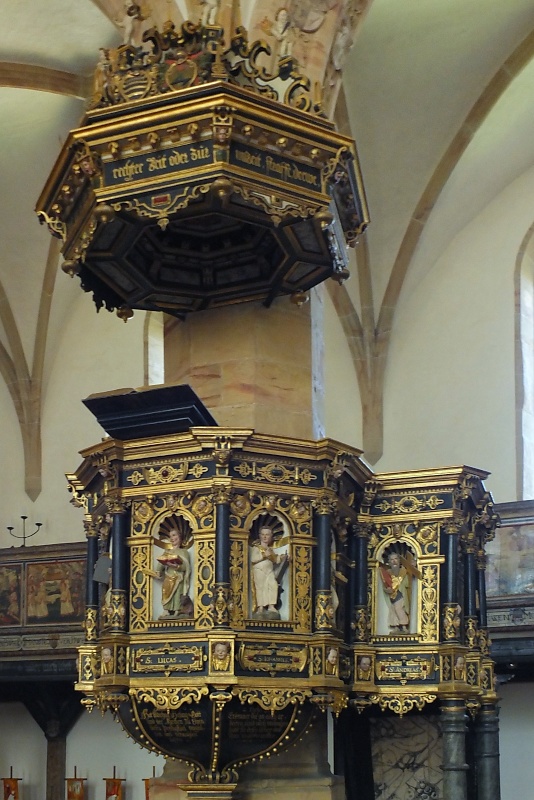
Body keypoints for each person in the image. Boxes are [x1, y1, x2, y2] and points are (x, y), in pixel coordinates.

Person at [250, 526, 288, 619]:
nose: (265, 537)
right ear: (259, 536)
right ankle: (260, 607)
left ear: (271, 536)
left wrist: (282, 557)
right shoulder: (257, 548)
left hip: (269, 571)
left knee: (273, 585)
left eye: (267, 534)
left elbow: (275, 560)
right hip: (259, 571)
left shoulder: (270, 550)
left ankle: (271, 606)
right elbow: (253, 559)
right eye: (262, 534)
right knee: (261, 588)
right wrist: (263, 555)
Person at [156, 528, 192, 619]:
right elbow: (161, 564)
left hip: (178, 577)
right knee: (166, 591)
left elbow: (186, 566)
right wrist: (158, 571)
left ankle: (178, 610)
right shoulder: (167, 552)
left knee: (177, 593)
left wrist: (177, 566)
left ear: (179, 537)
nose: (172, 538)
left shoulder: (184, 552)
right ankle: (166, 610)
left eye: (174, 535)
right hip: (168, 576)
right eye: (170, 536)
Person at [379, 552, 413, 632]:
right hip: (391, 595)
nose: (394, 561)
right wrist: (386, 589)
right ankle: (396, 625)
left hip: (401, 594)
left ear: (399, 561)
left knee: (399, 609)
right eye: (391, 560)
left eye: (395, 559)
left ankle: (404, 625)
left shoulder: (404, 571)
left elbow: (408, 583)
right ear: (389, 562)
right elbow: (385, 584)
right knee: (393, 610)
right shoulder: (388, 573)